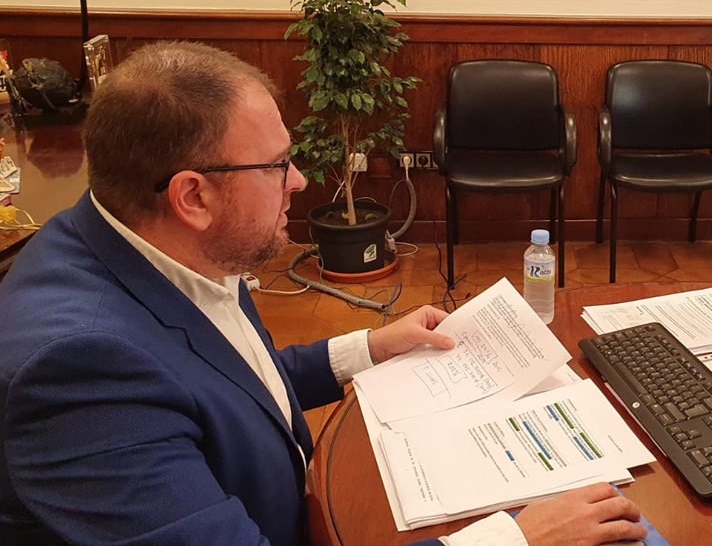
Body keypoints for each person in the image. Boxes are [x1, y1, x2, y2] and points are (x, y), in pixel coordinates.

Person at [0, 42, 647, 546]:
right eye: (277, 164)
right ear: (192, 195)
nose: (299, 180)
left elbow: (227, 378)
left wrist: (369, 346)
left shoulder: (155, 239)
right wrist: (520, 535)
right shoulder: (79, 371)